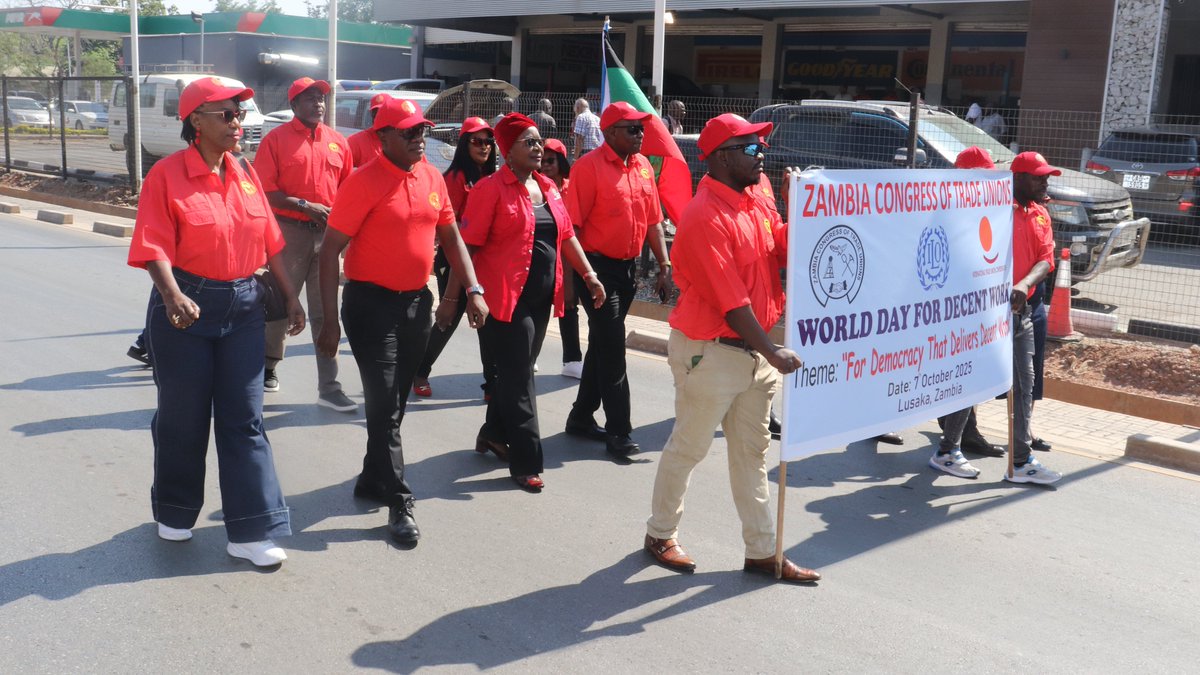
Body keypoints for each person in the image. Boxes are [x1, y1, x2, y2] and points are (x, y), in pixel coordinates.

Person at [127, 77, 304, 567]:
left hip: (243, 308)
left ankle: (251, 531)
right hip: (185, 308)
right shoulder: (166, 175)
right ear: (196, 122)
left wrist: (291, 297)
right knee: (183, 418)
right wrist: (172, 295)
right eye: (226, 115)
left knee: (245, 420)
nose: (237, 123)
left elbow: (270, 242)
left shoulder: (245, 172)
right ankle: (175, 509)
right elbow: (153, 244)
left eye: (239, 114)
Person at [643, 113, 819, 583]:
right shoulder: (704, 215)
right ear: (722, 157)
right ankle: (660, 533)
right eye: (752, 148)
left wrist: (797, 207)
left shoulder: (758, 195)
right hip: (711, 351)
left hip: (753, 353)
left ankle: (762, 552)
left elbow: (783, 250)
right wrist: (774, 351)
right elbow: (732, 302)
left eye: (762, 147)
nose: (762, 156)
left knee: (751, 455)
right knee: (689, 447)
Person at [316, 98, 490, 544]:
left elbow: (451, 237)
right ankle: (399, 500)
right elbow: (329, 251)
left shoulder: (431, 177)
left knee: (394, 404)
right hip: (369, 306)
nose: (420, 138)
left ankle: (372, 476)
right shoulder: (362, 182)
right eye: (409, 131)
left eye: (422, 130)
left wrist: (472, 289)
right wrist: (330, 321)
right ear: (383, 137)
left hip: (416, 305)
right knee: (382, 404)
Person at [460, 113, 606, 491]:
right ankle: (526, 461)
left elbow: (567, 235)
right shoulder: (490, 189)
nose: (538, 147)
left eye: (540, 140)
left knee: (517, 369)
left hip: (542, 297)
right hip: (505, 299)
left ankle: (493, 433)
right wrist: (466, 294)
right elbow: (467, 246)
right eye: (529, 141)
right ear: (508, 151)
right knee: (522, 379)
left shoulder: (549, 187)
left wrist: (589, 274)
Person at [563, 101, 673, 459]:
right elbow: (571, 230)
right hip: (595, 271)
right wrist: (581, 277)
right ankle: (619, 431)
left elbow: (653, 220)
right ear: (610, 133)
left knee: (601, 342)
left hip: (627, 272)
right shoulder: (587, 168)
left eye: (642, 128)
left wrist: (664, 264)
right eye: (633, 129)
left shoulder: (643, 166)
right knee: (612, 348)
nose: (641, 134)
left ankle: (581, 416)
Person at [254, 77, 355, 410]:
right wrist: (304, 205)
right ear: (294, 104)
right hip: (289, 232)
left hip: (328, 237)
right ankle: (267, 366)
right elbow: (265, 191)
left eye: (321, 98)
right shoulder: (275, 140)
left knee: (325, 311)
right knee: (280, 304)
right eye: (310, 98)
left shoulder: (338, 143)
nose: (318, 104)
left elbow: (349, 190)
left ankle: (329, 387)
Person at [930, 146, 1009, 478]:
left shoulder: (987, 208)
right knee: (957, 375)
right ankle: (948, 445)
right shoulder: (946, 211)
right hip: (949, 310)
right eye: (981, 176)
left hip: (976, 307)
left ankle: (962, 435)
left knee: (969, 374)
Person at [413, 117, 498, 399]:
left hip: (486, 261)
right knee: (448, 317)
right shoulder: (455, 178)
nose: (484, 147)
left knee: (488, 320)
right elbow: (448, 227)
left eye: (488, 141)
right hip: (456, 259)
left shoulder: (493, 178)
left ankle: (492, 384)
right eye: (477, 141)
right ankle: (419, 371)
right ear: (464, 144)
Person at [1003, 151, 1063, 484]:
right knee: (973, 382)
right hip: (986, 313)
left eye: (1047, 177)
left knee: (1025, 382)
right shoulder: (995, 209)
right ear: (1018, 177)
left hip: (1022, 311)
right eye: (1039, 177)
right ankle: (949, 446)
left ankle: (1020, 458)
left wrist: (1025, 284)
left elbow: (1046, 260)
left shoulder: (1040, 213)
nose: (1045, 182)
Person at [540, 138, 584, 378]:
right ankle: (528, 356)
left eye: (550, 161)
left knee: (569, 305)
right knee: (536, 306)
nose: (545, 165)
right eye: (542, 161)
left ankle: (572, 360)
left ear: (561, 162)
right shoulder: (534, 186)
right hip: (541, 256)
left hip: (566, 257)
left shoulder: (572, 188)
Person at [348, 93, 389, 167]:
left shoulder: (403, 139)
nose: (378, 119)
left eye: (383, 114)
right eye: (375, 115)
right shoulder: (356, 141)